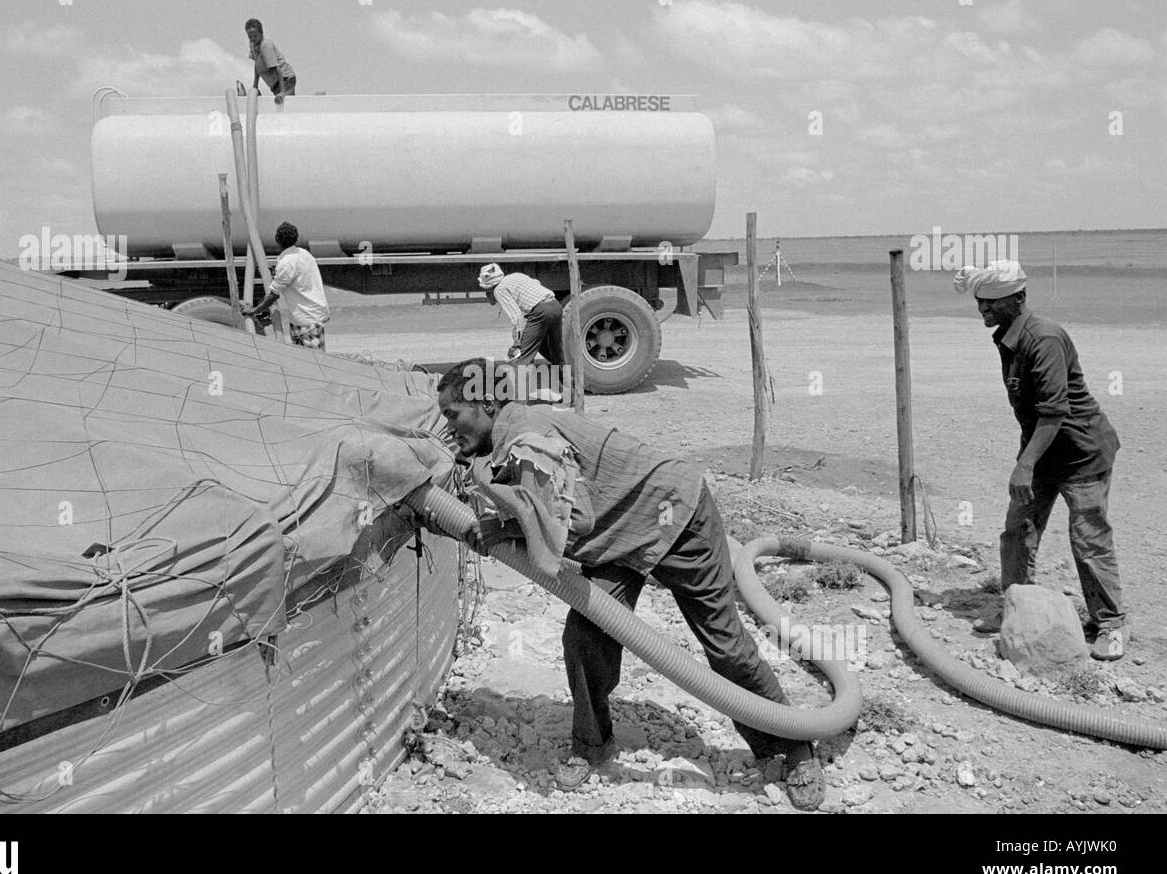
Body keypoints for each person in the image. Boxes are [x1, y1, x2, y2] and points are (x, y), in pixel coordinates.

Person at [422, 357, 826, 809]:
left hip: (677, 517)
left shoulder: (526, 438)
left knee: (725, 644)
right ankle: (592, 747)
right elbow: (549, 506)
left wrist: (504, 528)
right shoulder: (505, 438)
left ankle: (793, 749)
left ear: (487, 403)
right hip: (617, 538)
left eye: (454, 415)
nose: (449, 427)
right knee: (585, 637)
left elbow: (573, 517)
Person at [954, 260, 1126, 659]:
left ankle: (1111, 623)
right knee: (1018, 530)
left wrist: (1024, 464)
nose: (984, 310)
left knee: (1088, 539)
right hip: (1041, 449)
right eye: (980, 303)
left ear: (1018, 299)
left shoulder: (1043, 338)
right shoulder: (1007, 337)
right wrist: (1029, 459)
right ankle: (1019, 608)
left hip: (1082, 453)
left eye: (992, 303)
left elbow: (1054, 412)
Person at [241, 222, 329, 349]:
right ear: (296, 238)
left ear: (277, 240)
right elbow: (293, 276)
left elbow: (273, 295)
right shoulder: (304, 254)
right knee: (312, 359)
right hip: (313, 315)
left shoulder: (286, 262)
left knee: (311, 361)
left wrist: (254, 311)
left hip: (306, 320)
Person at [478, 263, 564, 368]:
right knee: (555, 350)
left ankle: (522, 383)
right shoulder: (516, 275)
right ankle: (568, 382)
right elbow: (536, 283)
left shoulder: (499, 290)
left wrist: (516, 344)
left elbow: (517, 318)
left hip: (541, 312)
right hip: (555, 305)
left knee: (523, 357)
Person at [245, 18, 296, 104]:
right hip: (274, 85)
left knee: (285, 107)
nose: (252, 39)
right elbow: (257, 66)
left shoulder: (265, 46)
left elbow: (278, 69)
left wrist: (282, 92)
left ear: (261, 33)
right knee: (278, 108)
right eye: (250, 36)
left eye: (255, 36)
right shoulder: (253, 45)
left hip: (285, 81)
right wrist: (255, 88)